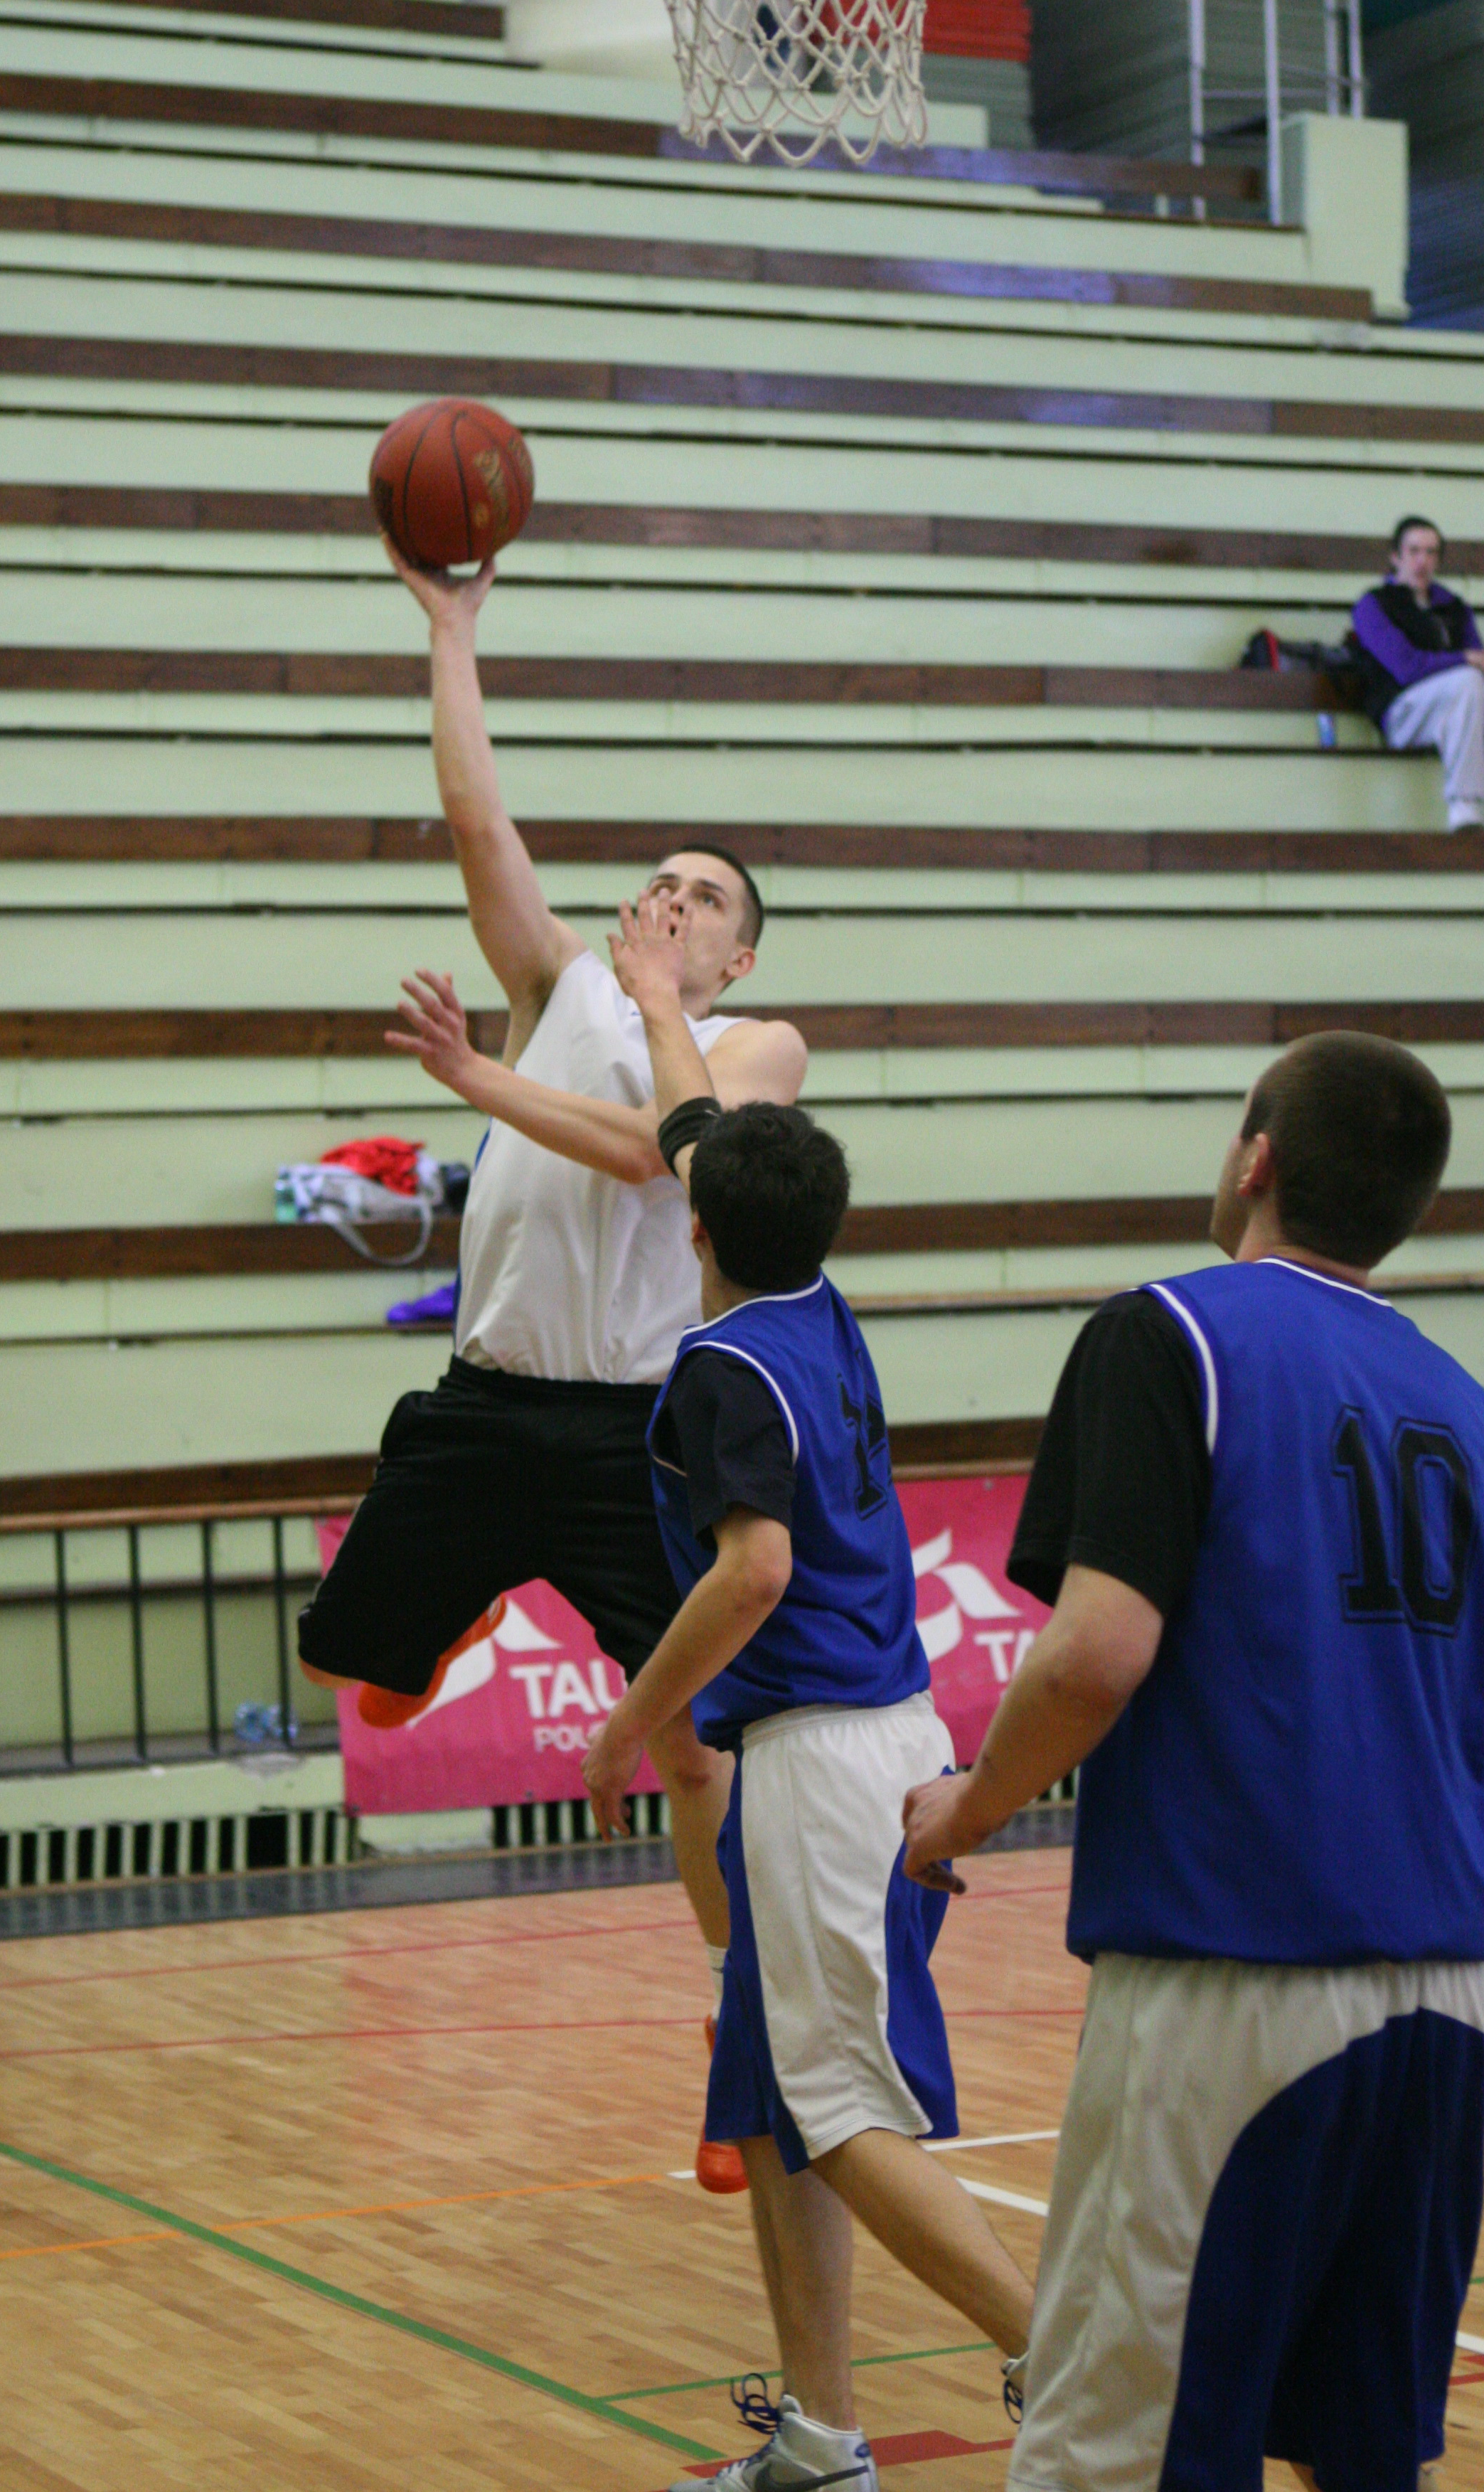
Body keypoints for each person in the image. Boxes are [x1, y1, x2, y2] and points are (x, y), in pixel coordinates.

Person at [904, 1031, 1484, 2492]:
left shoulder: (1167, 1332)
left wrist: (965, 1809)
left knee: (1118, 2457)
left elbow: (1095, 1654)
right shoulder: (1469, 1407)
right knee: (1367, 2454)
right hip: (1443, 2002)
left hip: (1233, 1977)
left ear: (1255, 1158)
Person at [296, 542, 806, 2184]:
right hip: (485, 1403)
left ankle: (740, 2034)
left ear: (738, 957)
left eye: (705, 897)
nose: (673, 899)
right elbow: (479, 822)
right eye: (660, 881)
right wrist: (451, 630)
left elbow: (660, 1151)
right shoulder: (556, 984)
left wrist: (487, 1078)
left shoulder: (750, 1044)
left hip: (629, 1432)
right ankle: (443, 1612)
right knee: (347, 1659)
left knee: (692, 1743)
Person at [582, 898, 1035, 2491]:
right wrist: (660, 1004)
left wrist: (627, 1723)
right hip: (879, 1734)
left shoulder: (721, 1368)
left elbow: (752, 1571)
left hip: (825, 1758)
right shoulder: (816, 1302)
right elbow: (697, 1129)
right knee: (777, 2106)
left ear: (692, 1225)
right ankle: (824, 2442)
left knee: (837, 2110)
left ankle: (1063, 2356)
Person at [1350, 515, 1484, 830]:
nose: (1423, 561)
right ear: (1396, 556)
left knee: (1475, 685)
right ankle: (1465, 808)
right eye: (1414, 551)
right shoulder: (1373, 605)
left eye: (1431, 553)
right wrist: (1463, 659)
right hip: (1403, 714)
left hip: (1459, 705)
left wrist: (1477, 665)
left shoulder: (1454, 607)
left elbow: (1483, 666)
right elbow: (1406, 668)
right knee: (1467, 680)